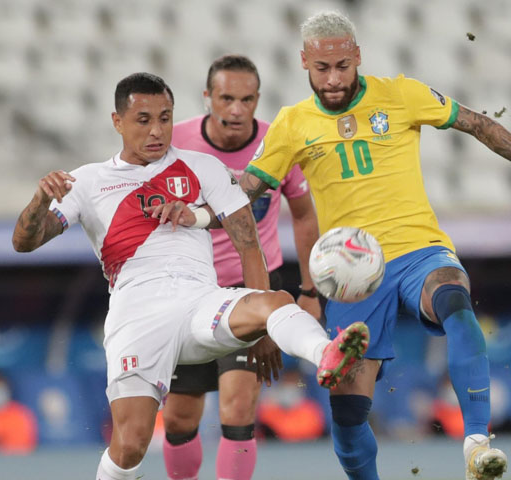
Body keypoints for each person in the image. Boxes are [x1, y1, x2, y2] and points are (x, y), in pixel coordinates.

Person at [236, 11, 511, 480]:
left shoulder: (401, 94)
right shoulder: (292, 124)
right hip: (349, 274)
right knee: (347, 414)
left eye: (343, 65)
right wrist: (196, 213)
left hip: (417, 249)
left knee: (455, 299)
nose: (335, 77)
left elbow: (478, 124)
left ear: (357, 55)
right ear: (304, 62)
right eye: (323, 69)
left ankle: (477, 444)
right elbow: (245, 191)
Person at [11, 72, 369, 480]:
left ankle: (326, 354)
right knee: (130, 445)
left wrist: (264, 330)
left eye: (165, 118)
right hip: (138, 315)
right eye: (143, 120)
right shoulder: (89, 181)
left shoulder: (203, 168)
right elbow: (25, 242)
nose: (157, 130)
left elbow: (249, 244)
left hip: (202, 302)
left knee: (276, 301)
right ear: (117, 121)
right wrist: (40, 200)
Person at [162, 55, 321, 480]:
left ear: (258, 99)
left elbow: (304, 216)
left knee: (237, 408)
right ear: (208, 97)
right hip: (188, 291)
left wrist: (308, 291)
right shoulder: (175, 143)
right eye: (226, 98)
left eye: (246, 99)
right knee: (178, 418)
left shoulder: (278, 143)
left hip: (252, 287)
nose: (236, 109)